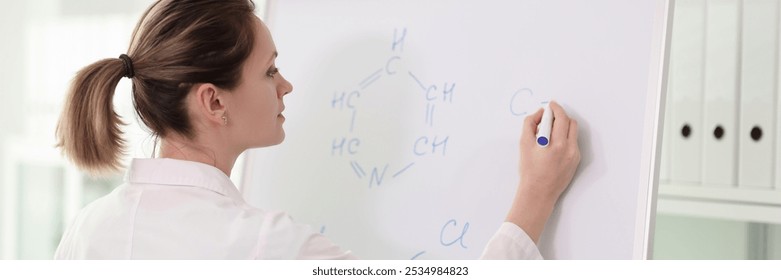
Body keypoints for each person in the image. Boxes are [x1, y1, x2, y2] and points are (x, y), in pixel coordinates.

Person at [54, 0, 580, 259]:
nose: (286, 86)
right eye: (268, 71)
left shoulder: (87, 229)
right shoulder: (266, 247)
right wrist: (535, 194)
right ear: (214, 101)